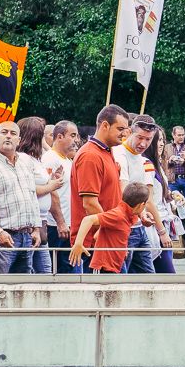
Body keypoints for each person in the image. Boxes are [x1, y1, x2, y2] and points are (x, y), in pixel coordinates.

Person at [0, 121, 42, 274]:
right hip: (0, 238)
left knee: (23, 285)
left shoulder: (26, 162)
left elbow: (32, 196)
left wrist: (36, 228)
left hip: (27, 236)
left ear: (19, 140)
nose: (8, 136)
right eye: (4, 132)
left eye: (13, 133)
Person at [70, 104, 131, 272]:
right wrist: (111, 234)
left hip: (107, 241)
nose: (124, 134)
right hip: (96, 244)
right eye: (120, 129)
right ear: (105, 125)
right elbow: (90, 204)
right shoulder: (91, 156)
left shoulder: (105, 151)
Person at [112, 115, 162, 274]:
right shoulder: (119, 154)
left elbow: (142, 195)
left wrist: (143, 214)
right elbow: (125, 190)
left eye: (148, 139)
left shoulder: (141, 159)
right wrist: (142, 213)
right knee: (121, 275)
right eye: (140, 137)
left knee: (148, 276)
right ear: (129, 132)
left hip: (138, 226)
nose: (143, 143)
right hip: (123, 227)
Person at [16, 116, 64, 274]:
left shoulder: (35, 159)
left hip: (41, 221)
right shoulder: (23, 159)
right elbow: (26, 188)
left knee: (45, 271)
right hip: (31, 224)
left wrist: (52, 179)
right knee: (36, 271)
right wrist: (51, 186)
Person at [69, 182, 150, 274]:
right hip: (103, 268)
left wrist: (120, 249)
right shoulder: (118, 215)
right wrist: (78, 244)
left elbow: (96, 236)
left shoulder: (128, 215)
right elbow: (88, 219)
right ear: (141, 205)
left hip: (116, 265)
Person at [143, 127, 181, 273]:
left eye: (162, 140)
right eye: (157, 140)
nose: (161, 144)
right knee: (167, 275)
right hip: (154, 226)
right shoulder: (147, 164)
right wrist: (162, 232)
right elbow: (148, 201)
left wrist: (171, 195)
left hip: (161, 222)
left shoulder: (156, 164)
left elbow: (159, 195)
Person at [42, 120, 79, 273]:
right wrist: (60, 222)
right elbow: (50, 191)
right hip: (57, 227)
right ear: (59, 136)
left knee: (70, 269)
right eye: (73, 135)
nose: (76, 140)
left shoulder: (66, 160)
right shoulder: (50, 159)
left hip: (68, 224)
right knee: (62, 271)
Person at [166, 126, 185, 200]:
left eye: (183, 135)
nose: (181, 137)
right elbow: (162, 163)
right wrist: (170, 161)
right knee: (173, 202)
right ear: (173, 135)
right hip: (173, 180)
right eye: (179, 135)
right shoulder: (167, 147)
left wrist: (184, 161)